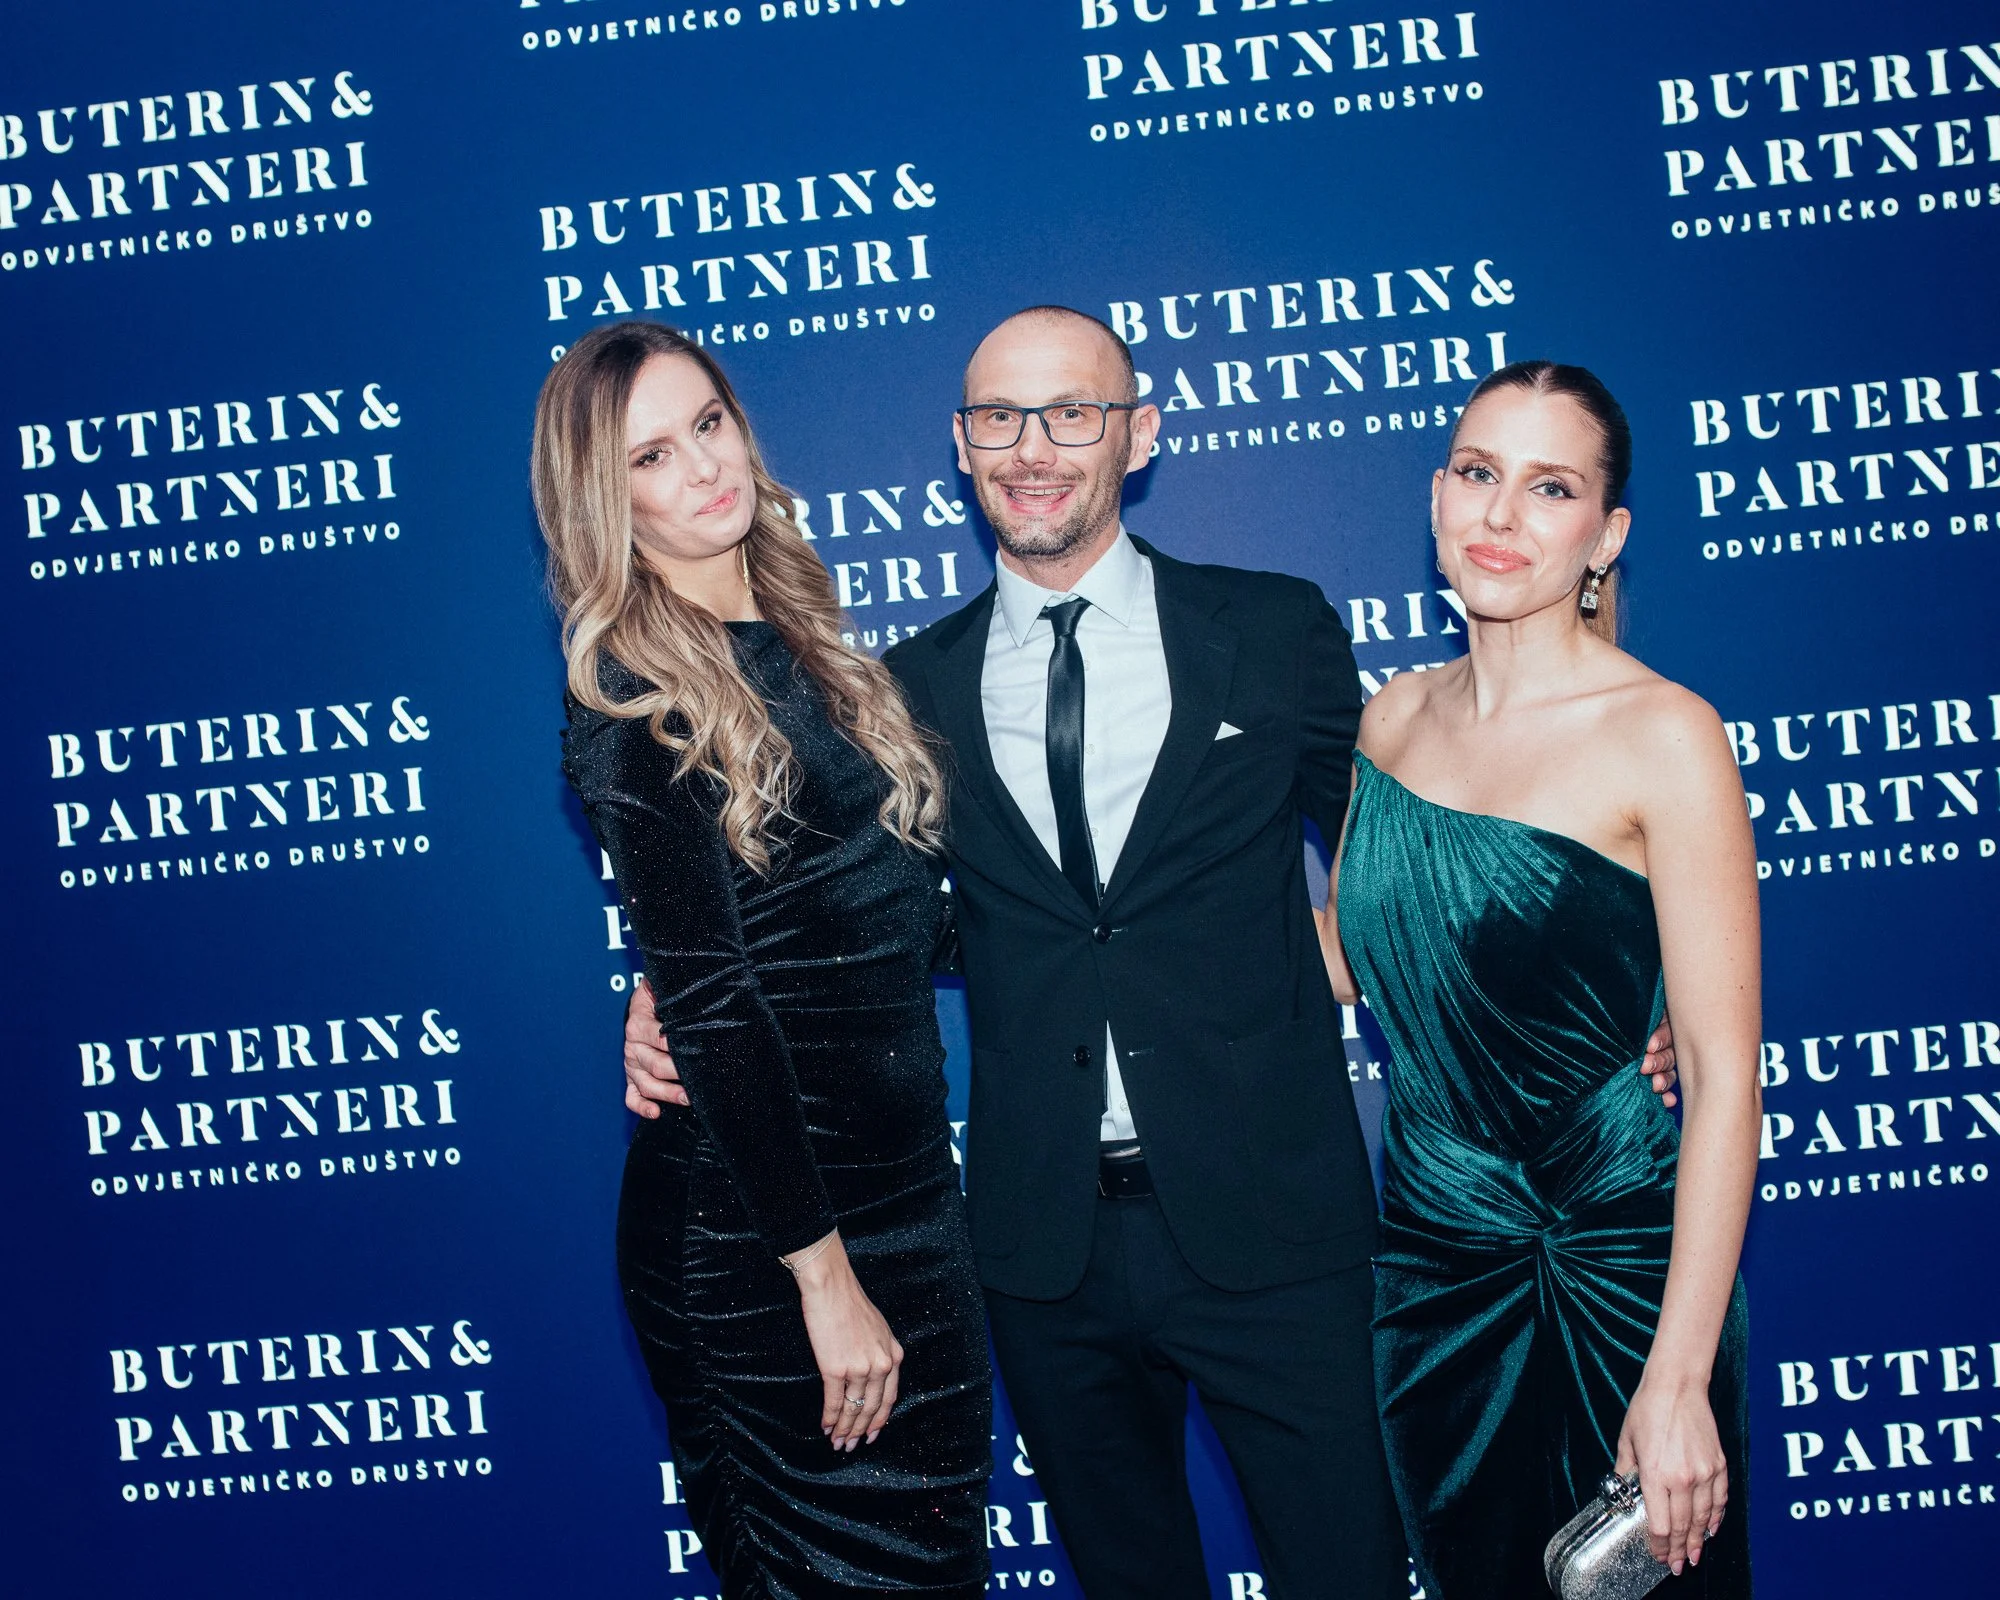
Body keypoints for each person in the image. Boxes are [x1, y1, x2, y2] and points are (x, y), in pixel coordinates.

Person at [623, 309, 1680, 1598]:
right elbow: (826, 906)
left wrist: (1600, 999)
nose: (1033, 447)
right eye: (999, 418)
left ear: (1138, 434)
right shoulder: (897, 692)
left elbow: (1413, 870)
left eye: (1071, 411)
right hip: (1037, 1249)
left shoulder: (1274, 628)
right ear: (960, 447)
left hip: (1279, 1232)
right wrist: (666, 987)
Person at [536, 319, 991, 1598]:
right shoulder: (631, 695)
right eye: (650, 458)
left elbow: (886, 914)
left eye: (708, 424)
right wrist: (822, 1277)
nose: (699, 468)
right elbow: (720, 1005)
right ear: (601, 501)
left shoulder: (803, 634)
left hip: (905, 1201)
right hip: (765, 1235)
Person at [1323, 362, 1758, 1599]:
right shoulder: (1388, 721)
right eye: (1475, 473)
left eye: (1548, 487)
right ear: (1434, 498)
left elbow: (1725, 1081)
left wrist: (1674, 1380)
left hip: (1625, 1270)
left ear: (1603, 536)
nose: (1499, 515)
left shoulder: (1665, 732)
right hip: (1431, 1276)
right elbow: (1360, 962)